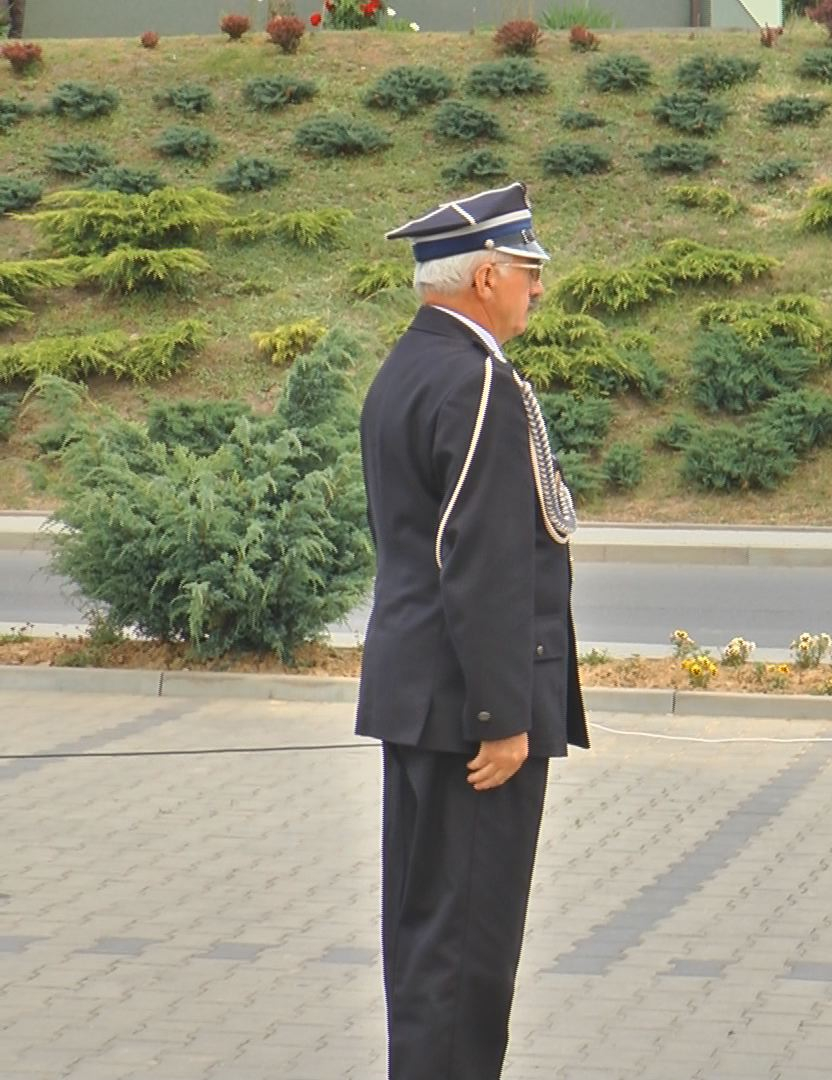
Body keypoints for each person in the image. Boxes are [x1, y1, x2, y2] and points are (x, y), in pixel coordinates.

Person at [358, 181, 590, 1080]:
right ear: (486, 276)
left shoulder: (409, 366)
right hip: (470, 722)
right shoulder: (479, 381)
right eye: (528, 269)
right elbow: (482, 560)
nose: (538, 286)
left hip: (419, 700)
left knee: (426, 949)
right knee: (466, 965)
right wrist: (502, 716)